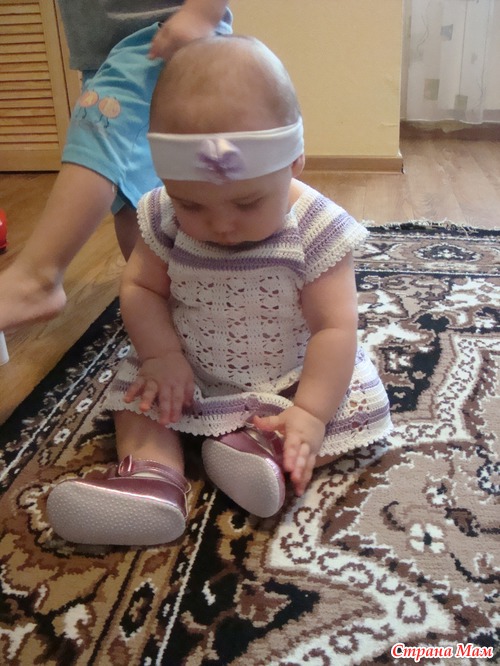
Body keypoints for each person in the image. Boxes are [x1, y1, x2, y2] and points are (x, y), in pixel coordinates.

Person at [47, 35, 392, 546]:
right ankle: (152, 476)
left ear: (295, 161)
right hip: (190, 373)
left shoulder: (316, 228)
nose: (221, 224)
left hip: (292, 378)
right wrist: (162, 356)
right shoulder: (164, 215)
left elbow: (334, 328)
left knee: (353, 405)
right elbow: (141, 286)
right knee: (139, 396)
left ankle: (263, 451)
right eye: (192, 204)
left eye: (248, 203)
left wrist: (310, 413)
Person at [0, 0, 231, 332]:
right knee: (134, 198)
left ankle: (37, 278)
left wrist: (201, 13)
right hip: (100, 53)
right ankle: (168, 311)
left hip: (162, 32)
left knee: (99, 127)